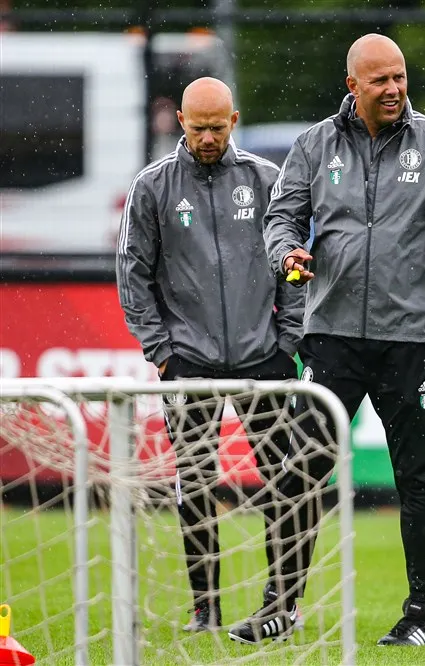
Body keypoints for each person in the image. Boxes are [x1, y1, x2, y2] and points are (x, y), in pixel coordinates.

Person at [228, 34, 425, 646]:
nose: (395, 90)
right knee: (298, 476)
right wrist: (286, 252)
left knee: (417, 480)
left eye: (401, 77)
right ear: (353, 86)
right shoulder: (315, 145)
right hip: (330, 338)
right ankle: (280, 607)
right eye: (380, 81)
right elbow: (281, 217)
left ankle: (418, 615)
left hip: (409, 339)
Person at [116, 77, 305, 632]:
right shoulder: (152, 187)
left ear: (234, 121)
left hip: (261, 357)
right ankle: (206, 607)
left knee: (280, 483)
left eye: (217, 128)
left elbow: (292, 266)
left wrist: (287, 339)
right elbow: (133, 274)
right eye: (197, 128)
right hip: (188, 361)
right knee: (196, 485)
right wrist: (161, 351)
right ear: (180, 121)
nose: (207, 138)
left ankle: (281, 604)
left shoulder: (266, 180)